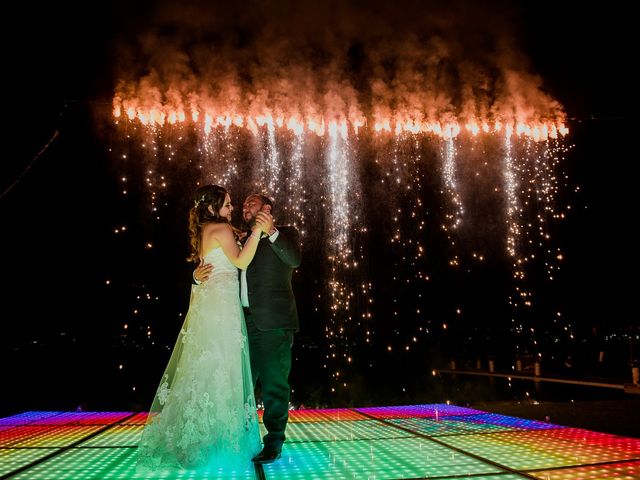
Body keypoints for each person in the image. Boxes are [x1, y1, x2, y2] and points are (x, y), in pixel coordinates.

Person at [136, 185, 271, 473]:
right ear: (212, 208)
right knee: (223, 367)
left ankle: (202, 440)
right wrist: (258, 231)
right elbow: (242, 260)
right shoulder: (220, 229)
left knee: (207, 370)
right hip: (222, 308)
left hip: (211, 306)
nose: (231, 209)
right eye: (227, 204)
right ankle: (217, 442)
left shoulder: (207, 229)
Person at [194, 193, 301, 464]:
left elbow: (294, 260)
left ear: (267, 208)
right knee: (239, 385)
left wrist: (272, 231)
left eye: (251, 203)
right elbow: (218, 263)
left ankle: (273, 443)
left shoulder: (286, 234)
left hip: (273, 324)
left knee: (274, 386)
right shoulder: (238, 237)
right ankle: (239, 439)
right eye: (242, 205)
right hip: (239, 322)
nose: (244, 207)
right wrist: (195, 276)